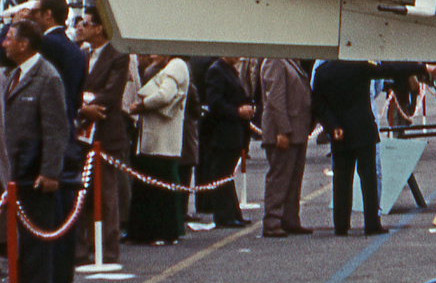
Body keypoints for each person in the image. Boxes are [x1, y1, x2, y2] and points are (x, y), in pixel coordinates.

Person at [3, 20, 70, 283]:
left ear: (23, 43)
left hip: (34, 170)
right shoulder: (11, 75)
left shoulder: (47, 77)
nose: (4, 43)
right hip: (13, 169)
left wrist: (49, 171)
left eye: (8, 38)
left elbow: (56, 129)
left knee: (35, 234)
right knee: (16, 234)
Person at [313, 60, 421, 236]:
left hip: (339, 133)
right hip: (363, 130)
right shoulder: (360, 66)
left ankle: (341, 225)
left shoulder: (323, 71)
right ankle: (371, 223)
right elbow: (390, 69)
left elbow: (318, 104)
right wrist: (422, 68)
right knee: (369, 178)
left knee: (341, 179)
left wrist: (332, 126)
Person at [74, 7, 130, 264]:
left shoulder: (117, 54)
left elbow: (112, 93)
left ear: (99, 27)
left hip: (106, 130)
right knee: (82, 191)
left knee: (107, 193)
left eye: (85, 24)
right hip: (83, 129)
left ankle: (108, 248)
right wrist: (83, 105)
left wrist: (85, 102)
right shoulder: (82, 54)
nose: (80, 28)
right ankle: (82, 247)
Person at [126, 55, 188, 245]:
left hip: (163, 140)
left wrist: (142, 105)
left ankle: (162, 232)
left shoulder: (176, 65)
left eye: (157, 50)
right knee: (148, 186)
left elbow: (165, 95)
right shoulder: (158, 68)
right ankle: (143, 232)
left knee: (159, 188)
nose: (152, 54)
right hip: (152, 138)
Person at [258, 58, 312, 238]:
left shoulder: (292, 61)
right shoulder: (275, 61)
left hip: (297, 129)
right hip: (284, 131)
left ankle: (290, 219)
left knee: (294, 178)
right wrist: (283, 129)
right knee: (279, 177)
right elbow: (275, 99)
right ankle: (272, 221)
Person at [200, 58, 252, 228]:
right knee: (221, 174)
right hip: (222, 133)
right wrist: (237, 111)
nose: (238, 58)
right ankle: (224, 216)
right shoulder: (216, 71)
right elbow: (215, 102)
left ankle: (233, 213)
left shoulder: (229, 70)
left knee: (227, 174)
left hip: (233, 131)